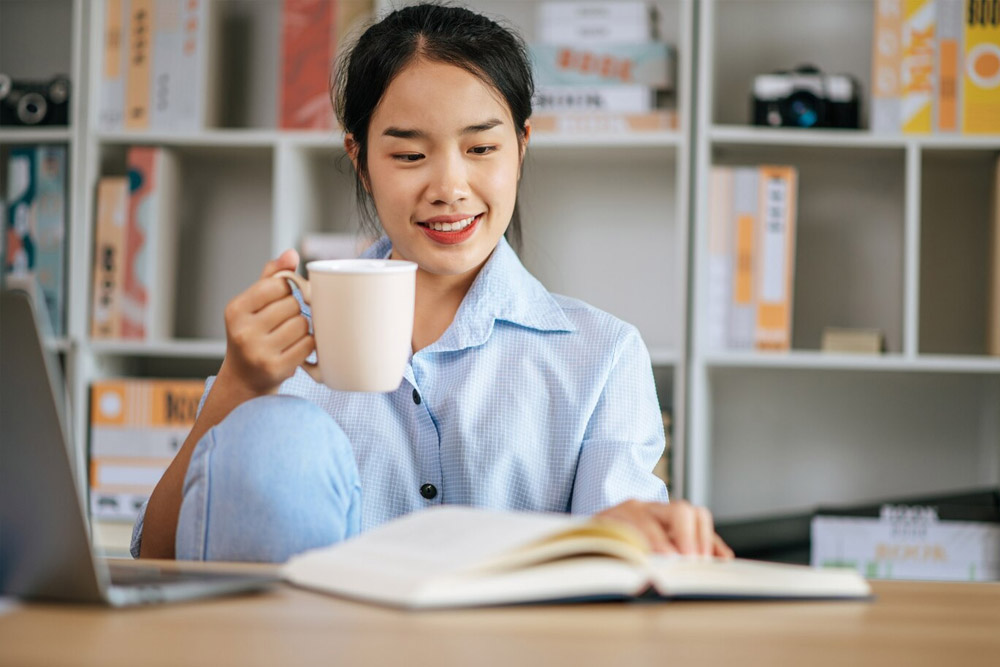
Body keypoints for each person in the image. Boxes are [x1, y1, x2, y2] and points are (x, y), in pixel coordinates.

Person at [135, 3, 733, 563]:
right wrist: (238, 385)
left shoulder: (601, 357)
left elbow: (621, 574)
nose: (449, 186)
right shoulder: (280, 347)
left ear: (520, 149)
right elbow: (157, 560)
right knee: (277, 437)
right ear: (360, 159)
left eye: (481, 147)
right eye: (409, 156)